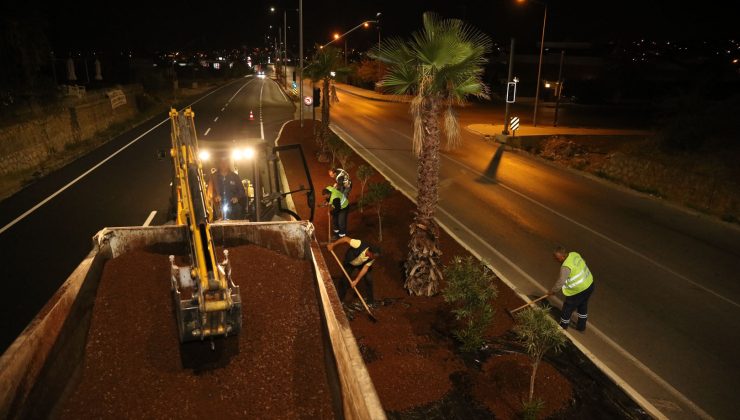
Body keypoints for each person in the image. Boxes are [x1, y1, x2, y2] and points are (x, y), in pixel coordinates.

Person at [550, 246, 595, 331]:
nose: (556, 260)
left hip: (579, 290)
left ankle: (562, 327)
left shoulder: (565, 267)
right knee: (582, 305)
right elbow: (583, 262)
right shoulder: (574, 254)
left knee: (567, 308)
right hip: (589, 284)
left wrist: (553, 291)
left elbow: (561, 281)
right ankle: (581, 327)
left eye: (557, 258)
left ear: (562, 256)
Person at [328, 236, 381, 306]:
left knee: (369, 279)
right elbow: (345, 239)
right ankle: (340, 300)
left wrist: (356, 280)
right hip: (350, 262)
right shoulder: (359, 244)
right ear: (370, 252)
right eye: (373, 256)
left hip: (362, 264)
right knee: (344, 280)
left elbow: (365, 268)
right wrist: (333, 245)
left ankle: (370, 302)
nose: (374, 258)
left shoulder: (372, 257)